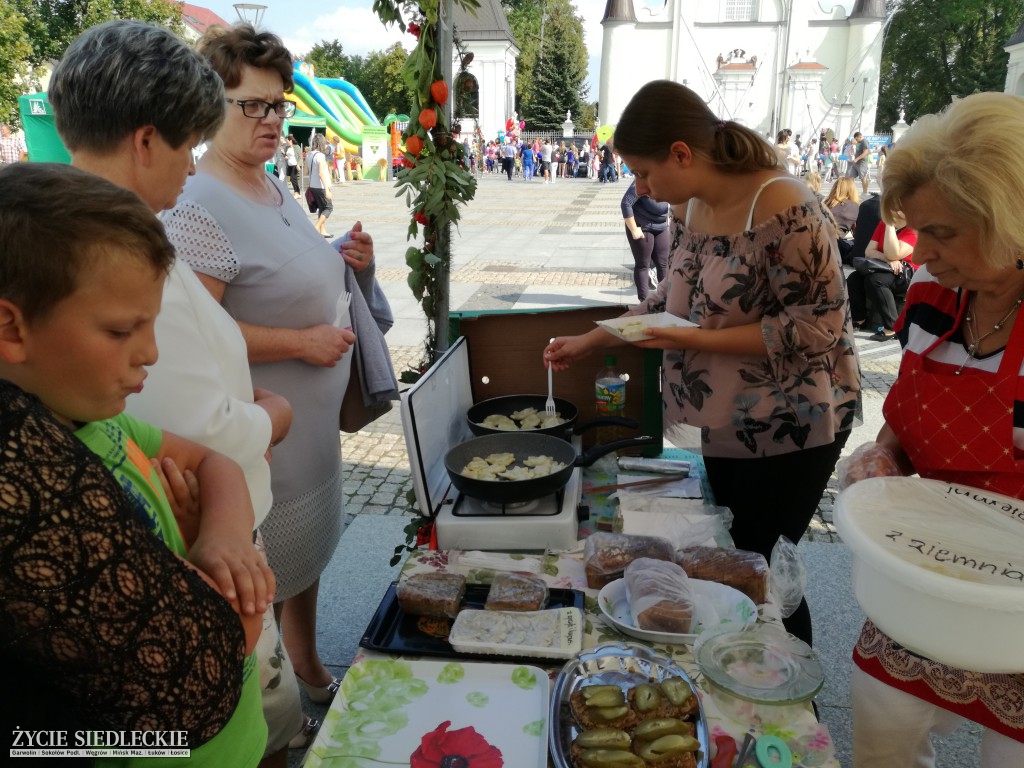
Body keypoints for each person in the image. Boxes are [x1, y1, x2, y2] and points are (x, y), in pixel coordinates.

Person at [48, 19, 306, 763]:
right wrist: (274, 412)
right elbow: (203, 435)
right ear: (146, 141)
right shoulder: (116, 258)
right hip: (196, 591)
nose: (192, 169)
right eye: (189, 147)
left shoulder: (112, 231)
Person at [544, 80, 860, 646]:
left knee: (761, 572)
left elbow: (818, 327)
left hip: (794, 421)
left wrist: (695, 339)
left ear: (682, 154)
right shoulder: (689, 205)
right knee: (731, 559)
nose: (640, 187)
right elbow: (671, 297)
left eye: (644, 172)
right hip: (727, 418)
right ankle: (732, 662)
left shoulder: (785, 203)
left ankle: (786, 697)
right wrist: (592, 339)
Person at [0, 162, 271, 765]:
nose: (149, 353)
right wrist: (224, 572)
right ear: (10, 327)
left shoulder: (104, 422)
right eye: (122, 330)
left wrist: (222, 538)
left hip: (237, 736)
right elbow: (229, 640)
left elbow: (214, 459)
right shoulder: (40, 474)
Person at [167, 21, 398, 714]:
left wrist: (346, 256)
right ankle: (276, 705)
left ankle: (308, 669)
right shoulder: (197, 205)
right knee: (273, 570)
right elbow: (198, 334)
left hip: (311, 431)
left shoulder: (269, 184)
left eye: (280, 105)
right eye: (254, 106)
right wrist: (298, 345)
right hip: (268, 439)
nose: (272, 121)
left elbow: (279, 268)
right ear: (213, 107)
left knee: (312, 557)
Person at [838, 91, 1024, 768]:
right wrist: (882, 457)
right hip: (923, 575)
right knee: (882, 726)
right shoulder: (928, 295)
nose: (921, 250)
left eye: (942, 233)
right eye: (918, 230)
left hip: (1019, 600)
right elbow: (905, 424)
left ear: (1008, 216)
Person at [847, 212, 917, 340]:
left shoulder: (913, 229)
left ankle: (892, 327)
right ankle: (859, 319)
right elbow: (869, 251)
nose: (893, 208)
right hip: (885, 268)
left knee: (875, 280)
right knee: (854, 278)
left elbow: (896, 253)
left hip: (906, 274)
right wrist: (888, 259)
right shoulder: (883, 224)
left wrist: (890, 225)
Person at [621, 178, 670, 301]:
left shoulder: (672, 179)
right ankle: (644, 302)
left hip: (661, 225)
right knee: (643, 265)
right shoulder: (644, 178)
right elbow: (626, 203)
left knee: (663, 263)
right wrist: (634, 229)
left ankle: (665, 300)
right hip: (642, 225)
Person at [824, 177, 862, 263]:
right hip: (840, 243)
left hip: (824, 240)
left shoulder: (826, 203)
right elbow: (857, 231)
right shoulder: (855, 206)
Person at [307, 133, 335, 238]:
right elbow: (321, 173)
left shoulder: (309, 154)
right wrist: (327, 189)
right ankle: (316, 227)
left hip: (312, 185)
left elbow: (306, 171)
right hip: (321, 186)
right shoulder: (321, 156)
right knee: (328, 208)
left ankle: (323, 231)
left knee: (321, 208)